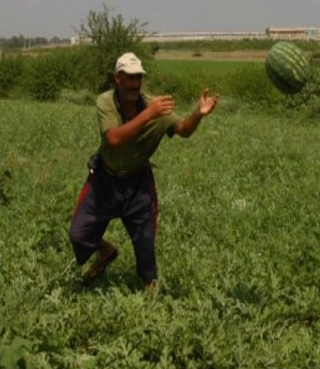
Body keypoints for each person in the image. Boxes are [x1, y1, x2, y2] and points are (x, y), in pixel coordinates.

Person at [69, 52, 219, 290]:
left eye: (138, 77)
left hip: (138, 185)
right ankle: (106, 251)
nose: (135, 84)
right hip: (105, 181)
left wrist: (197, 115)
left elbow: (182, 130)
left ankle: (150, 302)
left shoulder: (154, 108)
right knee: (79, 235)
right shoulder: (106, 102)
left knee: (146, 246)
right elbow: (114, 138)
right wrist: (148, 114)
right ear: (118, 78)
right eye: (129, 78)